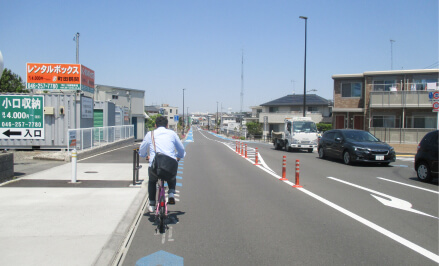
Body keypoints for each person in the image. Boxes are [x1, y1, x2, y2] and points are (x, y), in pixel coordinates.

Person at [139, 116, 186, 212]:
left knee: (152, 181)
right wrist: (178, 156)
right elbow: (181, 149)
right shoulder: (172, 134)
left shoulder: (150, 134)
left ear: (155, 125)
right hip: (169, 164)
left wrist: (145, 156)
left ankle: (152, 203)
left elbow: (142, 149)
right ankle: (172, 193)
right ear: (167, 125)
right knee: (172, 175)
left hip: (155, 165)